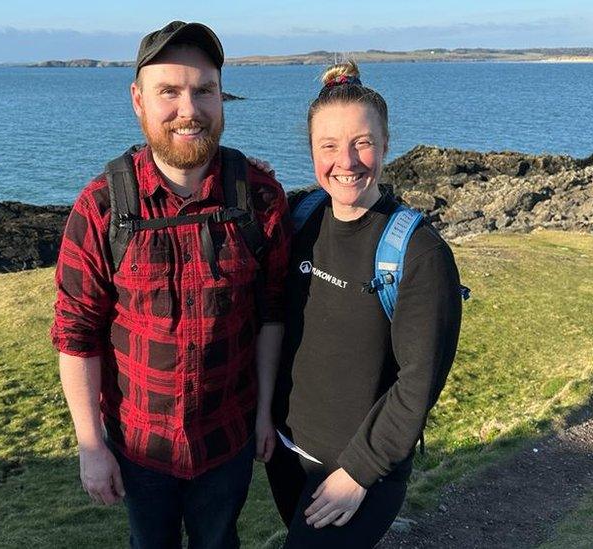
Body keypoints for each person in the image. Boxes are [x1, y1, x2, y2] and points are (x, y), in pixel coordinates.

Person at [49, 21, 291, 549]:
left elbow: (273, 313)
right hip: (140, 448)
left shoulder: (261, 198)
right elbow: (75, 334)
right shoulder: (102, 208)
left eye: (204, 90)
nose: (189, 109)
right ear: (138, 100)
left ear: (221, 97)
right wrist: (91, 446)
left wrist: (265, 414)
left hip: (228, 439)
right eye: (169, 91)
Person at [265, 60, 463, 548]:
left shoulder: (419, 254)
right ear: (312, 151)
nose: (346, 162)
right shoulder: (301, 218)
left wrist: (358, 472)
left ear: (386, 144)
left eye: (362, 143)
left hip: (360, 470)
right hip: (287, 453)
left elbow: (420, 380)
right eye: (328, 146)